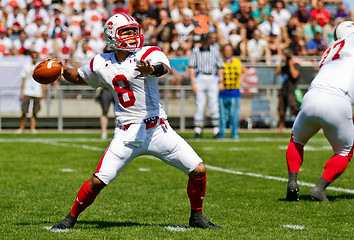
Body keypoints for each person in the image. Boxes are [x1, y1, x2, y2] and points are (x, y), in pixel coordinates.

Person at [51, 14, 222, 230]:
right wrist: (62, 69)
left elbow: (162, 66)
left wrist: (151, 70)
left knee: (198, 170)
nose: (133, 35)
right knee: (98, 180)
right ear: (113, 35)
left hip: (158, 129)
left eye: (134, 30)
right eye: (127, 32)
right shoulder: (101, 61)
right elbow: (79, 77)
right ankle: (70, 218)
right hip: (127, 134)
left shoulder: (148, 52)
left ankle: (197, 217)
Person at [285, 21, 354, 202]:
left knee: (296, 140)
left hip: (312, 96)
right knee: (344, 152)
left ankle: (292, 181)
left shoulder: (332, 48)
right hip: (338, 99)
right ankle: (319, 188)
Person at [188, 33, 224, 138]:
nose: (205, 42)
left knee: (214, 104)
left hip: (212, 77)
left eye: (206, 40)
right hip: (200, 77)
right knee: (200, 104)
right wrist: (193, 82)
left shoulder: (215, 50)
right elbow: (191, 67)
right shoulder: (196, 51)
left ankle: (216, 130)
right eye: (203, 40)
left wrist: (221, 81)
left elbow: (220, 67)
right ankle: (198, 129)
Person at [219, 44, 247, 139]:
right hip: (223, 92)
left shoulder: (237, 62)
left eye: (229, 50)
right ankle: (222, 133)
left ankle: (234, 133)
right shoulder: (220, 62)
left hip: (234, 91)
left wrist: (241, 80)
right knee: (222, 115)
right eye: (226, 50)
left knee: (234, 115)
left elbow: (245, 71)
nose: (227, 52)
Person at [16, 51, 46, 133]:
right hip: (27, 90)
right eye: (33, 57)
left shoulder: (41, 67)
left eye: (36, 57)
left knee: (35, 111)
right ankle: (22, 128)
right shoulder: (26, 66)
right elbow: (23, 79)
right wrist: (22, 91)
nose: (34, 58)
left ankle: (32, 128)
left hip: (37, 91)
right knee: (24, 110)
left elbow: (43, 81)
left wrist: (44, 92)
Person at [276, 49, 301, 135]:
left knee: (295, 110)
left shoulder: (296, 65)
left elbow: (294, 75)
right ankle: (280, 129)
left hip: (292, 91)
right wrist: (281, 62)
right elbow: (277, 72)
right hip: (284, 91)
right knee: (281, 111)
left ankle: (299, 128)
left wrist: (291, 64)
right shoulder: (284, 66)